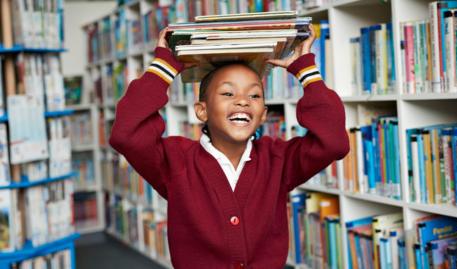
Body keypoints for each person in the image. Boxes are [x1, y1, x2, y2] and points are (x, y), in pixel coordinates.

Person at [109, 24, 349, 269]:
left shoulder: (279, 160)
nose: (243, 101)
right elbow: (126, 134)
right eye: (227, 94)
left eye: (255, 96)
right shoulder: (175, 161)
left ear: (263, 114)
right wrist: (163, 69)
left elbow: (333, 142)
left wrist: (306, 71)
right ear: (202, 110)